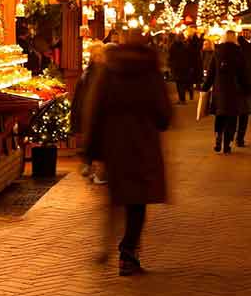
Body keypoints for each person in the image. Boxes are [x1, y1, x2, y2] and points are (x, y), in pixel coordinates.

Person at [86, 28, 171, 276]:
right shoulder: (151, 71)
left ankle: (106, 244)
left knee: (115, 196)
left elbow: (95, 109)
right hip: (143, 143)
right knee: (137, 202)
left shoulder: (109, 70)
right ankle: (128, 253)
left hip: (114, 143)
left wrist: (91, 149)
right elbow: (164, 116)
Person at [203, 31, 251, 154]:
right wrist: (247, 89)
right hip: (235, 91)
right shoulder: (239, 53)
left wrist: (205, 87)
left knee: (220, 115)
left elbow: (211, 72)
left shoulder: (217, 52)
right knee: (232, 118)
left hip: (219, 90)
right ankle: (227, 144)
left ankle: (218, 136)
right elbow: (243, 75)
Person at [70, 41, 106, 182]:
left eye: (99, 54)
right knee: (90, 139)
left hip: (98, 111)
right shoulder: (87, 73)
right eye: (95, 55)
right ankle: (90, 164)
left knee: (96, 140)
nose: (97, 57)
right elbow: (80, 94)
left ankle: (93, 166)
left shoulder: (104, 72)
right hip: (87, 110)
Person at [168, 34, 193, 105]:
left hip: (177, 67)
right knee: (182, 83)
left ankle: (182, 99)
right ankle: (182, 99)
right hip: (184, 67)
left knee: (179, 84)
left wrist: (170, 65)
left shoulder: (173, 46)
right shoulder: (185, 46)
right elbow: (189, 57)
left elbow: (170, 57)